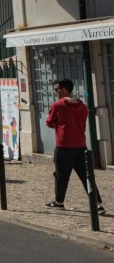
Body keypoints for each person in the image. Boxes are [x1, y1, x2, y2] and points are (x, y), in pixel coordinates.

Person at [45, 79, 105, 214]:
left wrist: (59, 126)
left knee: (61, 176)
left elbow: (49, 122)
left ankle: (59, 202)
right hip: (81, 146)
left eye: (57, 89)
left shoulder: (57, 105)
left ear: (65, 90)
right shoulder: (82, 106)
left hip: (63, 146)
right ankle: (97, 204)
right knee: (87, 176)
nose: (55, 92)